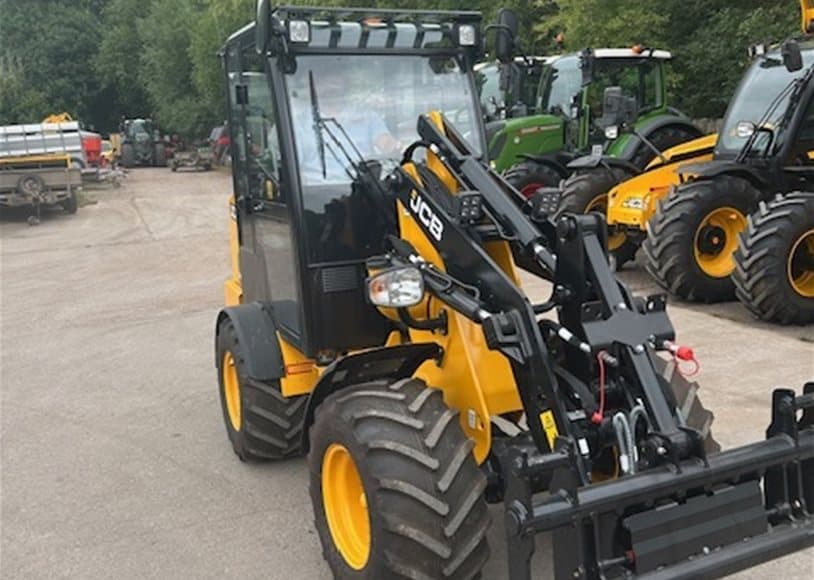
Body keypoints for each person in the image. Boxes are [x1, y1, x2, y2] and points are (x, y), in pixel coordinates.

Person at [294, 64, 401, 182]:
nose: (331, 82)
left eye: (336, 74)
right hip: (318, 193)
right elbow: (295, 169)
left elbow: (385, 141)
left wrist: (394, 146)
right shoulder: (300, 124)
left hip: (364, 191)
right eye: (324, 76)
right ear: (314, 82)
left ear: (345, 79)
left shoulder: (366, 116)